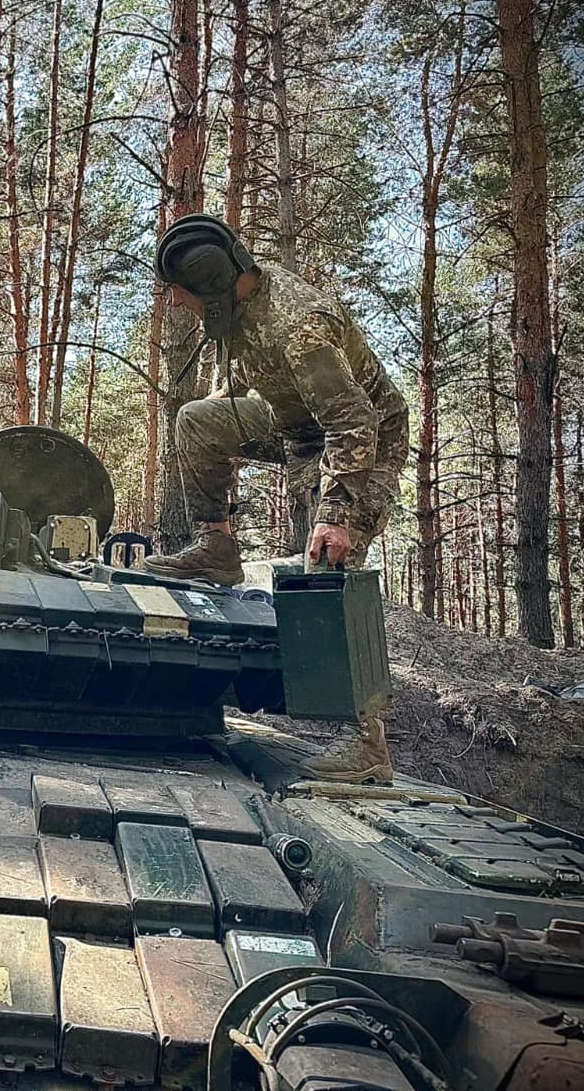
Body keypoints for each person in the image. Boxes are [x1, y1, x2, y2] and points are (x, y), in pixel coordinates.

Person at [144, 214, 409, 784]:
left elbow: (353, 421)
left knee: (327, 565)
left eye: (184, 293)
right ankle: (217, 548)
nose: (181, 304)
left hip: (362, 436)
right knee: (196, 420)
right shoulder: (237, 305)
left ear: (212, 281)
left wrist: (335, 516)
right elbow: (249, 379)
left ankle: (366, 743)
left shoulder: (298, 325)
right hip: (296, 424)